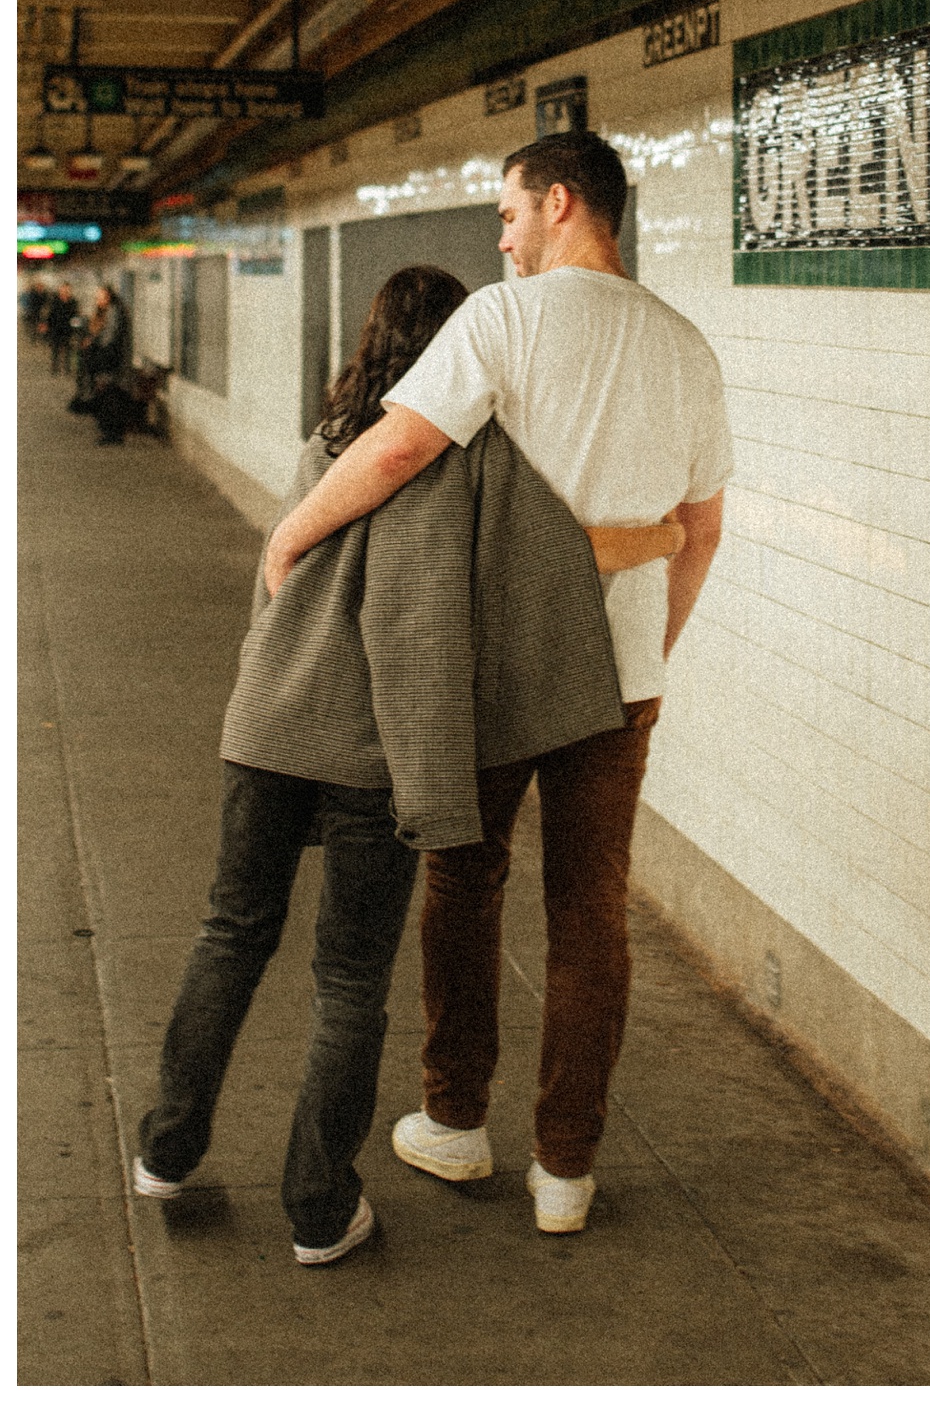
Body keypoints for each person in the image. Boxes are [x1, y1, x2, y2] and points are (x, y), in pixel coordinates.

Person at [134, 265, 679, 1265]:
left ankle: (167, 1146)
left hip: (267, 725)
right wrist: (671, 531)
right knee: (348, 982)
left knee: (231, 930)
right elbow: (527, 575)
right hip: (370, 751)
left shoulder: (327, 434)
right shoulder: (467, 466)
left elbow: (290, 574)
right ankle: (316, 1205)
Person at [263, 131, 733, 1235]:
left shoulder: (500, 319)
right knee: (590, 912)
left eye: (512, 215)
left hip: (500, 670)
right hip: (621, 680)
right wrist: (644, 646)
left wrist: (293, 530)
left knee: (465, 887)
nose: (505, 237)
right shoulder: (685, 345)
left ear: (561, 201)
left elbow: (393, 452)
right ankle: (566, 1169)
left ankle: (456, 1121)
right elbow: (701, 529)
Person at [44, 279, 77, 376]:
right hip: (55, 328)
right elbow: (50, 315)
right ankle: (55, 368)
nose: (65, 291)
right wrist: (46, 325)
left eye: (67, 290)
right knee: (55, 349)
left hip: (67, 329)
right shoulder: (55, 301)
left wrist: (74, 329)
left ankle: (67, 368)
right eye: (63, 289)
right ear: (60, 290)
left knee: (67, 349)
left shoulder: (73, 302)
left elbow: (75, 316)